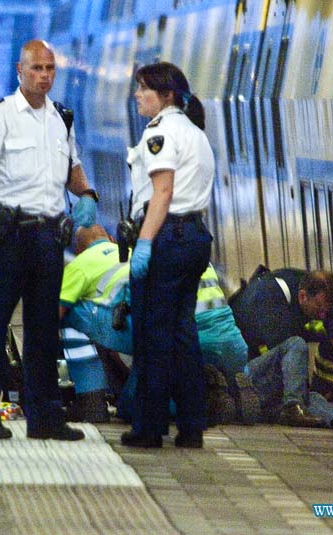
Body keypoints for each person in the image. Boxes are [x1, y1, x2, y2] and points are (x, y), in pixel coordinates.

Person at [0, 39, 98, 440]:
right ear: (19, 71)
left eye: (50, 69)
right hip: (8, 236)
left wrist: (86, 195)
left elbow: (72, 169)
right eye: (37, 68)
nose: (44, 75)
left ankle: (45, 418)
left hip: (47, 238)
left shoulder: (61, 119)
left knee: (43, 331)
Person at [59, 224, 258, 425]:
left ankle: (92, 402)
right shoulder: (194, 259)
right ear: (112, 239)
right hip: (232, 344)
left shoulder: (88, 263)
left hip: (176, 342)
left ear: (78, 250)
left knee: (69, 316)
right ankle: (228, 386)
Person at [120, 62, 215, 448]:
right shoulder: (195, 132)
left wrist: (144, 242)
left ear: (167, 95)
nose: (138, 96)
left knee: (152, 334)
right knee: (182, 333)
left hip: (167, 237)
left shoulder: (159, 133)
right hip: (194, 236)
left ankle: (149, 426)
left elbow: (162, 192)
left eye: (144, 89)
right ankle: (192, 425)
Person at [241, 269, 333, 432]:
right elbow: (284, 370)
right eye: (319, 309)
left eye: (326, 310)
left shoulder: (327, 299)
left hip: (270, 390)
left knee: (309, 396)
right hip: (245, 381)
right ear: (303, 296)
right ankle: (293, 408)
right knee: (296, 345)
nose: (322, 315)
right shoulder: (269, 298)